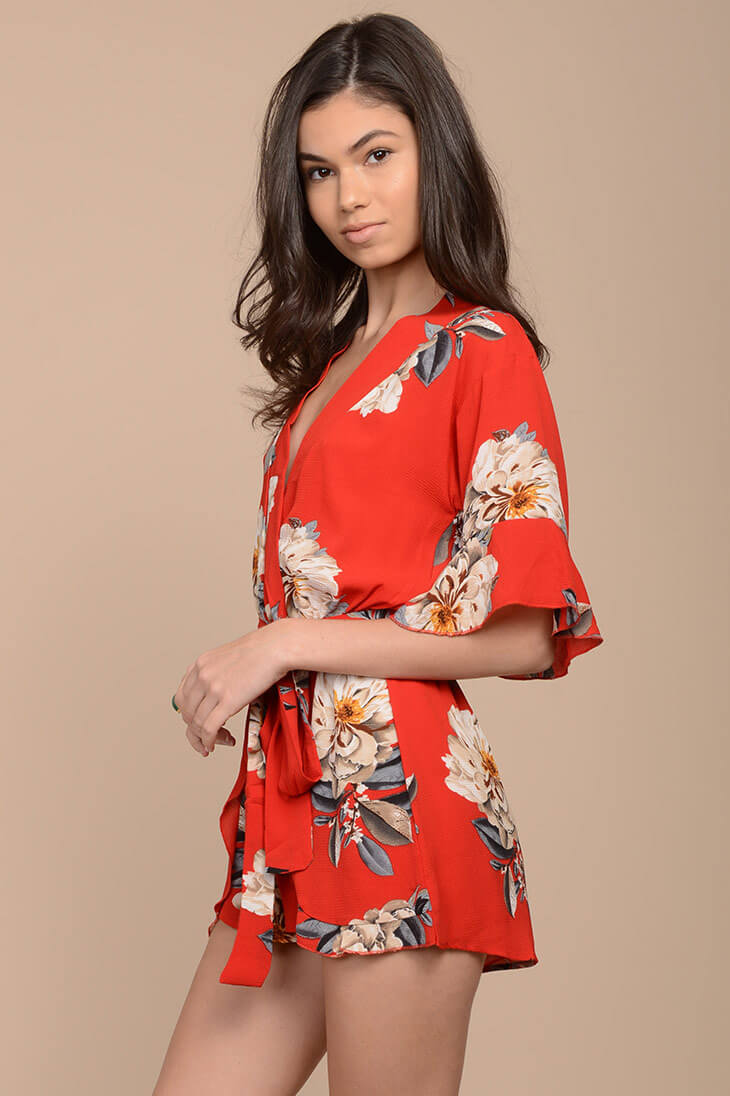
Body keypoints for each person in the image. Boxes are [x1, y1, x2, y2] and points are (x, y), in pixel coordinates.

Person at [154, 13, 603, 1096]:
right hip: (290, 823)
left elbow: (525, 634)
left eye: (375, 155)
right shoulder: (331, 365)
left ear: (431, 152)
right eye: (320, 170)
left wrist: (281, 644)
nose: (348, 197)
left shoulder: (482, 349)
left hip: (401, 809)